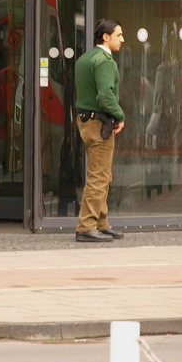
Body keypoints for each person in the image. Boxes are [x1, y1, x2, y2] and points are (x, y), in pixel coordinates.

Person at [74, 18, 126, 242]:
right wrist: (120, 115)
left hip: (86, 121)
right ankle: (86, 225)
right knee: (99, 175)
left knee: (102, 173)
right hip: (99, 123)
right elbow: (105, 96)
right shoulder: (105, 61)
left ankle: (101, 222)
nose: (122, 40)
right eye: (119, 35)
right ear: (106, 37)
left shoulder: (85, 58)